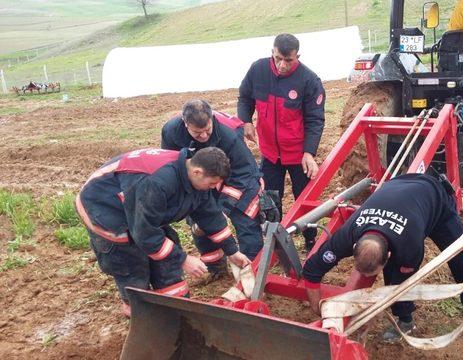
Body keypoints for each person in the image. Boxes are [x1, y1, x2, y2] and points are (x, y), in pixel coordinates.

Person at [302, 173, 463, 345]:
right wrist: (317, 309)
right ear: (353, 247)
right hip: (398, 188)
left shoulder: (409, 246)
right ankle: (405, 320)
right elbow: (312, 269)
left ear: (389, 255)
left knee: (462, 259)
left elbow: (401, 284)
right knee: (393, 274)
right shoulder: (347, 234)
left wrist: (368, 315)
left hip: (434, 198)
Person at [76, 147, 252, 317]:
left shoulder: (194, 180)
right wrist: (183, 259)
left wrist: (232, 251)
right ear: (198, 172)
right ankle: (138, 315)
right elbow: (144, 233)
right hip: (105, 210)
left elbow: (209, 215)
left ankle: (176, 313)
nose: (214, 187)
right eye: (212, 183)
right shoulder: (157, 182)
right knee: (132, 266)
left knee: (166, 262)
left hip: (140, 209)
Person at [237, 33, 326, 250]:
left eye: (289, 60)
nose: (282, 65)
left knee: (304, 199)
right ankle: (275, 242)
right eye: (278, 58)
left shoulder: (309, 81)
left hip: (298, 154)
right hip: (269, 153)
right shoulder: (258, 70)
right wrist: (246, 121)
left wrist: (309, 153)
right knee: (269, 198)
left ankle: (310, 240)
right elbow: (245, 97)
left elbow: (315, 120)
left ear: (298, 56)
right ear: (272, 52)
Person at [162, 100, 269, 277]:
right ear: (185, 123)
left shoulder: (230, 135)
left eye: (207, 130)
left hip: (237, 176)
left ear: (212, 119)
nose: (204, 136)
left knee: (245, 217)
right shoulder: (171, 131)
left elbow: (244, 172)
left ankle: (252, 269)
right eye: (197, 132)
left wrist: (222, 209)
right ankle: (215, 269)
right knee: (200, 221)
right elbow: (172, 163)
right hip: (200, 176)